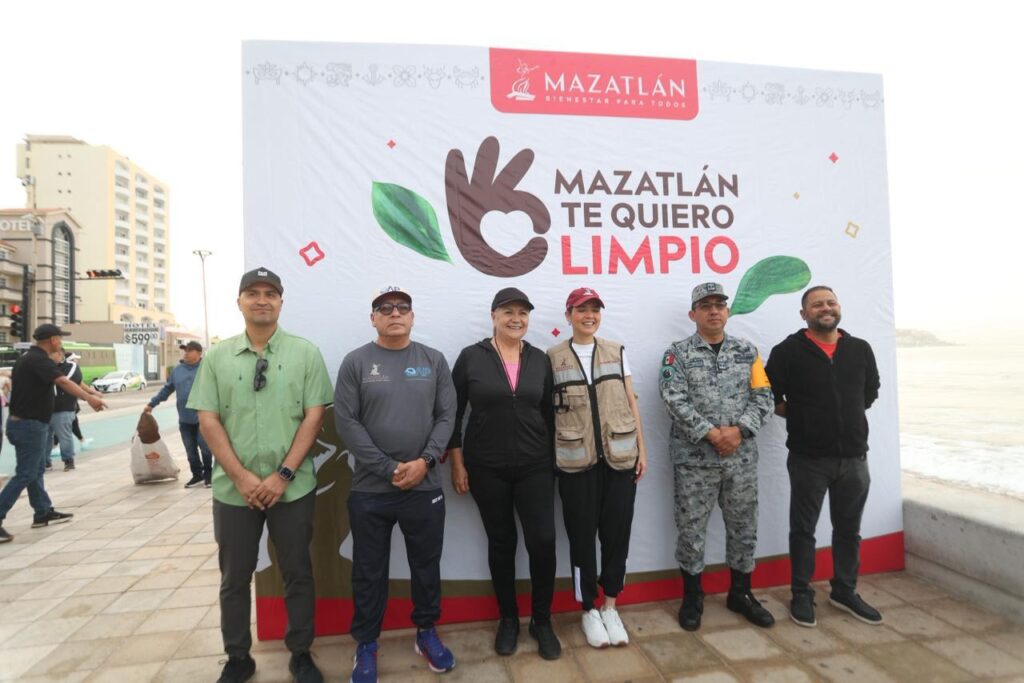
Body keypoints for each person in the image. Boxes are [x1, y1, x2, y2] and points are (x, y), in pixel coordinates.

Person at [187, 267, 334, 683]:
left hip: (293, 487)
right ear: (239, 301)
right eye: (253, 293)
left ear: (281, 302)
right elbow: (208, 419)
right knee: (234, 578)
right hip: (234, 491)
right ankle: (238, 657)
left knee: (297, 573)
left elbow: (314, 416)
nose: (262, 300)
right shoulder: (217, 357)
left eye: (271, 293)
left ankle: (301, 652)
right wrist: (241, 477)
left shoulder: (305, 353)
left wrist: (283, 474)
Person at [334, 286, 458, 683]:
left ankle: (426, 632)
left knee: (426, 566)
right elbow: (346, 423)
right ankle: (367, 644)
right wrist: (388, 468)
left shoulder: (433, 360)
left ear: (412, 316)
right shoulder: (356, 362)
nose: (394, 313)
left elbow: (447, 416)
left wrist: (425, 461)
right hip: (370, 491)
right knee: (368, 572)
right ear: (373, 318)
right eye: (384, 308)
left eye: (402, 307)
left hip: (424, 486)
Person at [447, 287, 561, 660]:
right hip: (487, 468)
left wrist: (553, 461)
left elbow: (549, 415)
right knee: (502, 543)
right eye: (508, 312)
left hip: (535, 466)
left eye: (522, 313)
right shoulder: (471, 358)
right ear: (493, 316)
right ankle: (508, 619)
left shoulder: (540, 359)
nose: (516, 319)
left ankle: (541, 621)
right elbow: (452, 414)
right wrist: (458, 463)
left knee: (543, 541)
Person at [765, 285, 883, 628]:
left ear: (839, 308)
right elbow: (770, 397)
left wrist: (841, 414)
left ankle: (844, 590)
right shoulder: (787, 351)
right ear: (804, 314)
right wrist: (806, 416)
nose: (826, 308)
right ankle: (801, 593)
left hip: (855, 459)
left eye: (831, 302)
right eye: (817, 304)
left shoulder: (860, 349)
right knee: (803, 530)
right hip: (809, 459)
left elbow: (869, 392)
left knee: (849, 530)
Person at [659, 283, 775, 632]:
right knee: (691, 530)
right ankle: (693, 597)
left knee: (744, 527)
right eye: (705, 305)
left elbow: (764, 396)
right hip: (695, 461)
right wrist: (712, 433)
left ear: (727, 311)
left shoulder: (748, 352)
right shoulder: (677, 354)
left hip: (740, 459)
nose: (713, 311)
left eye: (719, 305)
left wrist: (739, 431)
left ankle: (741, 593)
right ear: (693, 314)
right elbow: (673, 398)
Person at [547, 287, 647, 648]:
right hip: (576, 465)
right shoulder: (552, 358)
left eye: (594, 309)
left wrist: (642, 450)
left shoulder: (616, 351)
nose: (589, 315)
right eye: (581, 309)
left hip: (620, 460)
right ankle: (588, 608)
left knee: (617, 537)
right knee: (581, 539)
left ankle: (610, 606)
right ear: (568, 315)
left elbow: (631, 402)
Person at [0, 325, 107, 544]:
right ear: (53, 340)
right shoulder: (39, 360)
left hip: (27, 424)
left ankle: (42, 512)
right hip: (29, 426)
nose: (61, 341)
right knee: (25, 473)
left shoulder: (27, 358)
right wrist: (89, 398)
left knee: (35, 470)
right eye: (59, 338)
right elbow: (64, 381)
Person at [145, 340, 214, 488]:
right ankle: (197, 475)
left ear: (199, 353)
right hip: (185, 419)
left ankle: (209, 475)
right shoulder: (177, 371)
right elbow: (167, 389)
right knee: (190, 451)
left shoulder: (206, 368)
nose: (186, 353)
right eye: (185, 350)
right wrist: (152, 404)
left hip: (203, 418)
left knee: (205, 449)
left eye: (190, 350)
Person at [48, 350, 99, 471]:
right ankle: (45, 463)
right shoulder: (45, 365)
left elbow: (66, 382)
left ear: (60, 354)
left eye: (51, 353)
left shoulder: (71, 366)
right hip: (45, 408)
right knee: (45, 436)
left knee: (64, 434)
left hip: (63, 407)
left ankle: (68, 460)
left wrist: (91, 394)